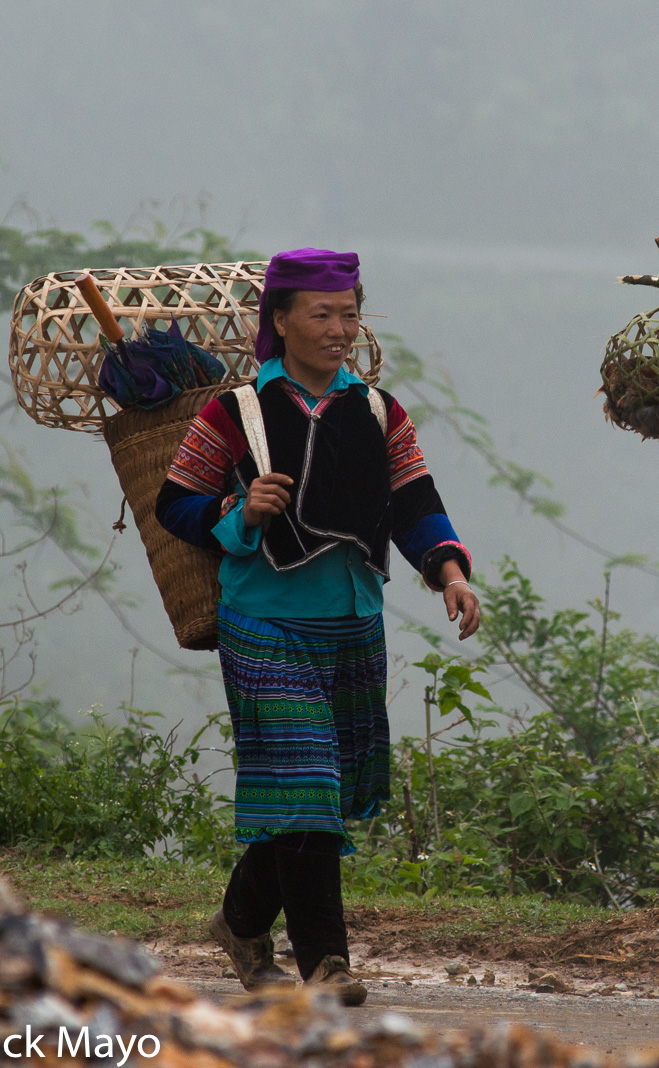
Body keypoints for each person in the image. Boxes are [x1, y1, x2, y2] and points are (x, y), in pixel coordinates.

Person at [155, 248, 480, 1006]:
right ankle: (326, 967)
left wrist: (451, 572)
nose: (339, 330)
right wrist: (239, 514)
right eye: (322, 315)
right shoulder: (234, 412)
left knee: (317, 796)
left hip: (354, 624)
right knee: (306, 785)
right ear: (280, 320)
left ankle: (239, 923)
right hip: (265, 624)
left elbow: (414, 499)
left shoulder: (376, 410)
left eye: (349, 315)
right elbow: (177, 503)